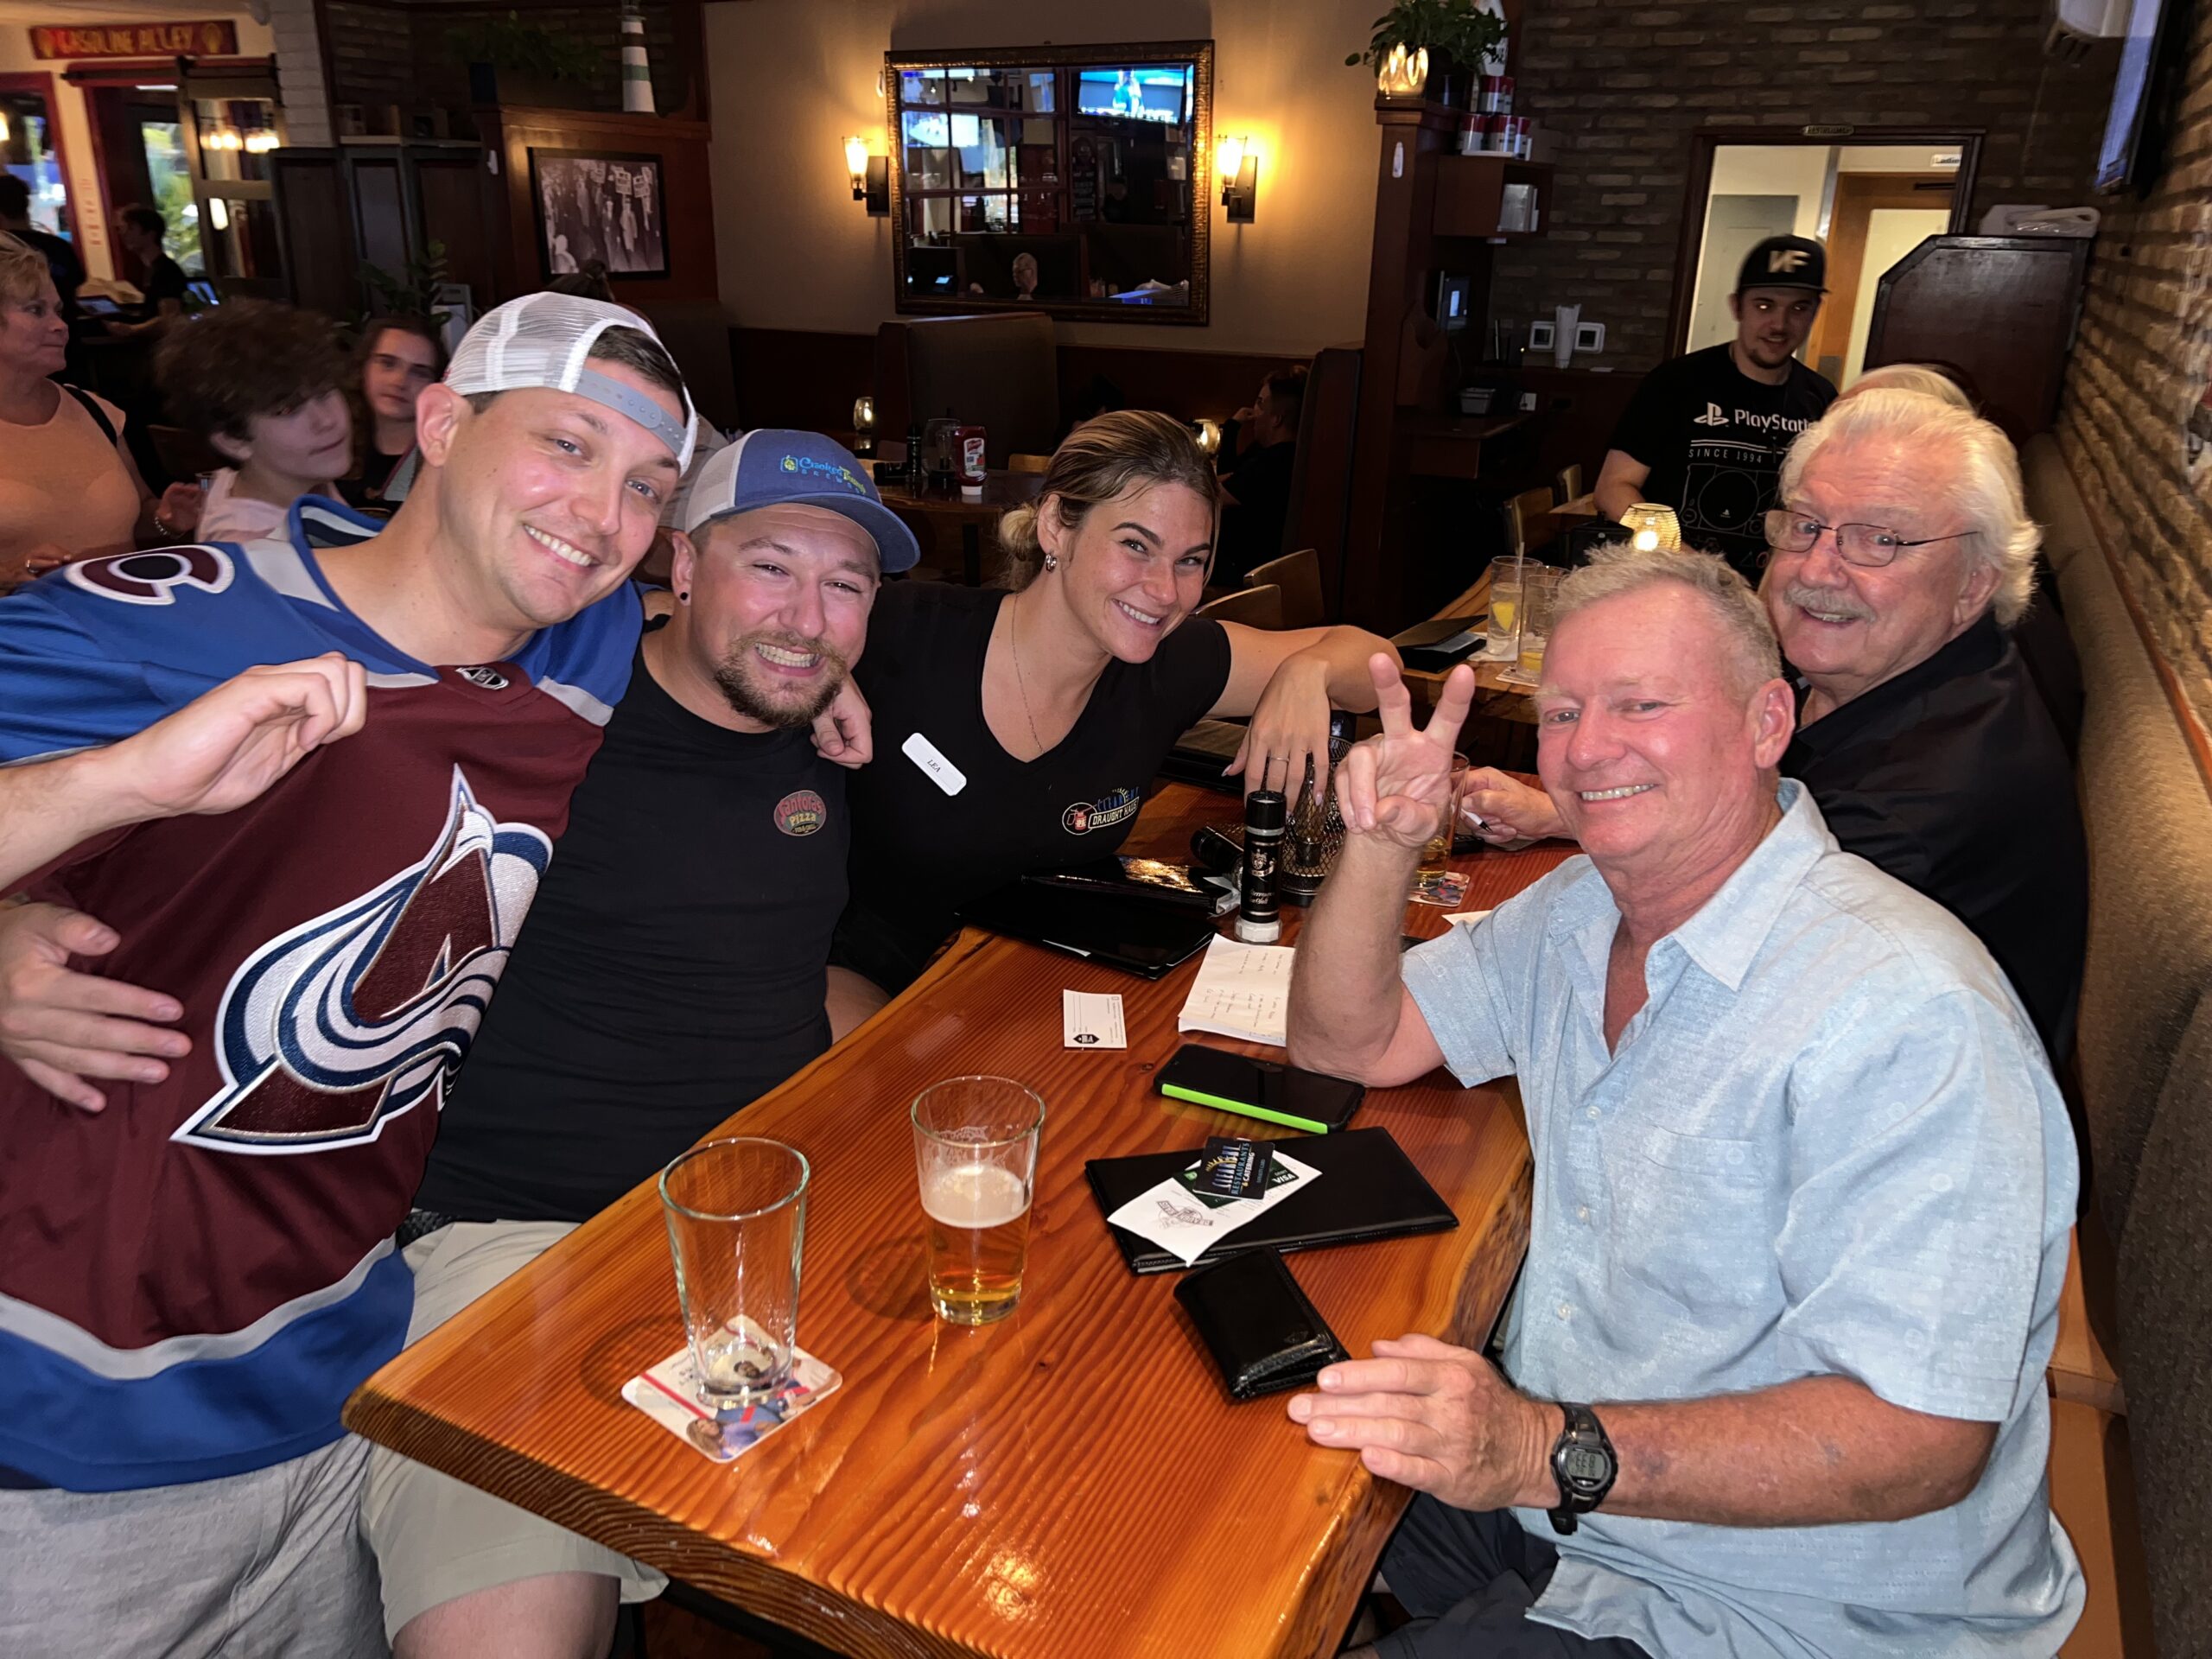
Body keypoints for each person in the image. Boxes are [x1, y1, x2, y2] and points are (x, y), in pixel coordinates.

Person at [0, 292, 696, 1659]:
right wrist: (107, 791)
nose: (601, 515)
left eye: (646, 486)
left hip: (339, 1385)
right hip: (67, 1435)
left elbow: (760, 614)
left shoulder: (586, 643)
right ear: (439, 425)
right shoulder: (165, 624)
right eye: (564, 445)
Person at [1287, 544, 2082, 1658]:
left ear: (1766, 723)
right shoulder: (1578, 909)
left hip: (1792, 1611)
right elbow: (1350, 1040)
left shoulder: (1909, 1013)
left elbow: (1921, 1437)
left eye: (1642, 705)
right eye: (1563, 712)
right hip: (1576, 1506)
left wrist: (1534, 1447)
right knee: (1227, 1505)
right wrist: (1380, 846)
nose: (1586, 749)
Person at [363, 430, 913, 1653]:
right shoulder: (547, 711)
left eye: (844, 584)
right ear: (682, 564)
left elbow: (775, 964)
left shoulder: (818, 723)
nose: (807, 617)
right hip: (524, 1241)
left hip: (771, 1234)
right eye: (769, 568)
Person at [1465, 389, 2086, 1061]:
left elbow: (1689, 976)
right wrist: (1563, 812)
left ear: (1973, 583)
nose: (1818, 569)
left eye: (1880, 540)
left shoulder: (1914, 805)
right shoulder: (1877, 673)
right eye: (1808, 525)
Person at [831, 409, 1399, 1005]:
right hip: (870, 981)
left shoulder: (1168, 664)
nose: (1165, 591)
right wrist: (819, 682)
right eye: (1135, 545)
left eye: (1190, 560)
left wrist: (1308, 671)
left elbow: (1375, 662)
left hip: (1032, 986)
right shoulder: (903, 632)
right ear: (1056, 525)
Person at [1595, 234, 1837, 579]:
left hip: (1769, 589)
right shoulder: (1676, 382)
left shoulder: (1822, 398)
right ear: (1737, 306)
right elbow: (1613, 489)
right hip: (1668, 578)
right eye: (1764, 306)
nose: (1780, 325)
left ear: (1816, 312)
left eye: (1799, 308)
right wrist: (1689, 561)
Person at [0, 234, 195, 588]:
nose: (61, 326)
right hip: (25, 620)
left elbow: (140, 515)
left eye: (58, 311)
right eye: (36, 310)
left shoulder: (94, 410)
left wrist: (166, 519)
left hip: (123, 612)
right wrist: (7, 574)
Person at [156, 298, 355, 544]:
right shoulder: (262, 547)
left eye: (324, 392)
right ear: (233, 440)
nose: (325, 420)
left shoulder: (283, 481)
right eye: (287, 410)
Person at [1215, 365, 1305, 588]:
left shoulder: (1278, 461)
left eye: (1260, 403)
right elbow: (1229, 475)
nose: (1253, 412)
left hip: (1245, 575)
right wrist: (1232, 428)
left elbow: (1214, 494)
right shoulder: (1262, 451)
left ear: (1277, 419)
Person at [344, 313, 446, 509]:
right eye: (387, 364)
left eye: (419, 372)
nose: (400, 382)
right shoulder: (331, 446)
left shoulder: (446, 458)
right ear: (362, 367)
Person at [0, 172, 84, 372]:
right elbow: (77, 288)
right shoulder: (59, 247)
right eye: (35, 310)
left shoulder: (5, 253)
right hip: (69, 353)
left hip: (29, 362)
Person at [104, 203, 190, 340]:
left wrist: (131, 329)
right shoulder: (152, 268)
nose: (124, 234)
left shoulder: (165, 271)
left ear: (150, 234)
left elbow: (170, 318)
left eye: (131, 228)